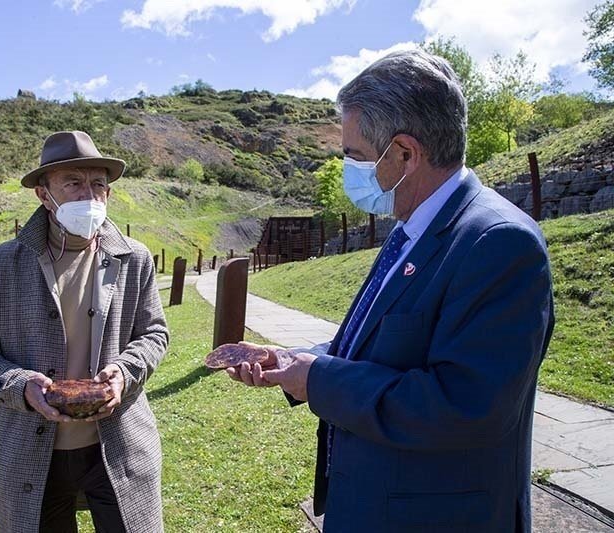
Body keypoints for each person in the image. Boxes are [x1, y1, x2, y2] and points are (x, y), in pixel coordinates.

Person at [227, 49, 554, 533]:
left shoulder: (498, 243)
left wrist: (318, 379)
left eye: (355, 156)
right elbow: (374, 346)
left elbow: (466, 406)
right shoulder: (412, 226)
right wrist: (293, 360)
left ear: (404, 153)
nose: (348, 168)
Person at [0, 131, 168, 533]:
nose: (89, 195)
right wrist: (19, 386)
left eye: (98, 184)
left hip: (119, 442)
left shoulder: (134, 258)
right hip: (29, 449)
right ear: (43, 193)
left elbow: (154, 333)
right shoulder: (1, 265)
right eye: (73, 183)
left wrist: (125, 373)